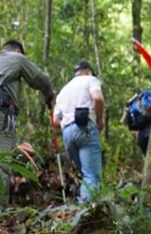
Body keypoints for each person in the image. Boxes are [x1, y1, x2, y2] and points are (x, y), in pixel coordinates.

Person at [0, 40, 54, 214]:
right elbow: (40, 80)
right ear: (17, 50)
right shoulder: (17, 58)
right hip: (0, 116)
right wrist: (49, 94)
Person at [53, 61, 104, 203]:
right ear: (88, 71)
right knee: (92, 175)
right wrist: (99, 120)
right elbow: (97, 98)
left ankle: (85, 206)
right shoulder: (90, 80)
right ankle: (86, 215)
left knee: (86, 174)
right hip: (85, 128)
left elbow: (55, 120)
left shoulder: (64, 90)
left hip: (67, 133)